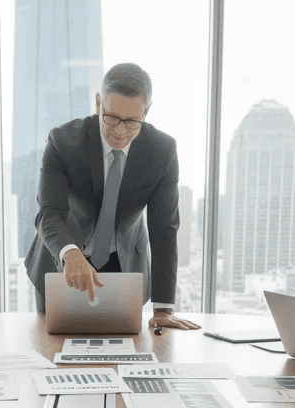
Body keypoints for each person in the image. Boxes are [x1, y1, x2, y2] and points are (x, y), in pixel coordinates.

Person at [23, 63, 200, 331]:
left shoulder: (162, 151)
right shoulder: (63, 142)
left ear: (146, 112)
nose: (120, 130)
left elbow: (164, 229)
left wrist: (163, 308)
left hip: (123, 264)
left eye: (132, 121)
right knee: (55, 349)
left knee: (123, 353)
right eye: (112, 117)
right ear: (98, 104)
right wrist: (70, 255)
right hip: (62, 258)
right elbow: (49, 212)